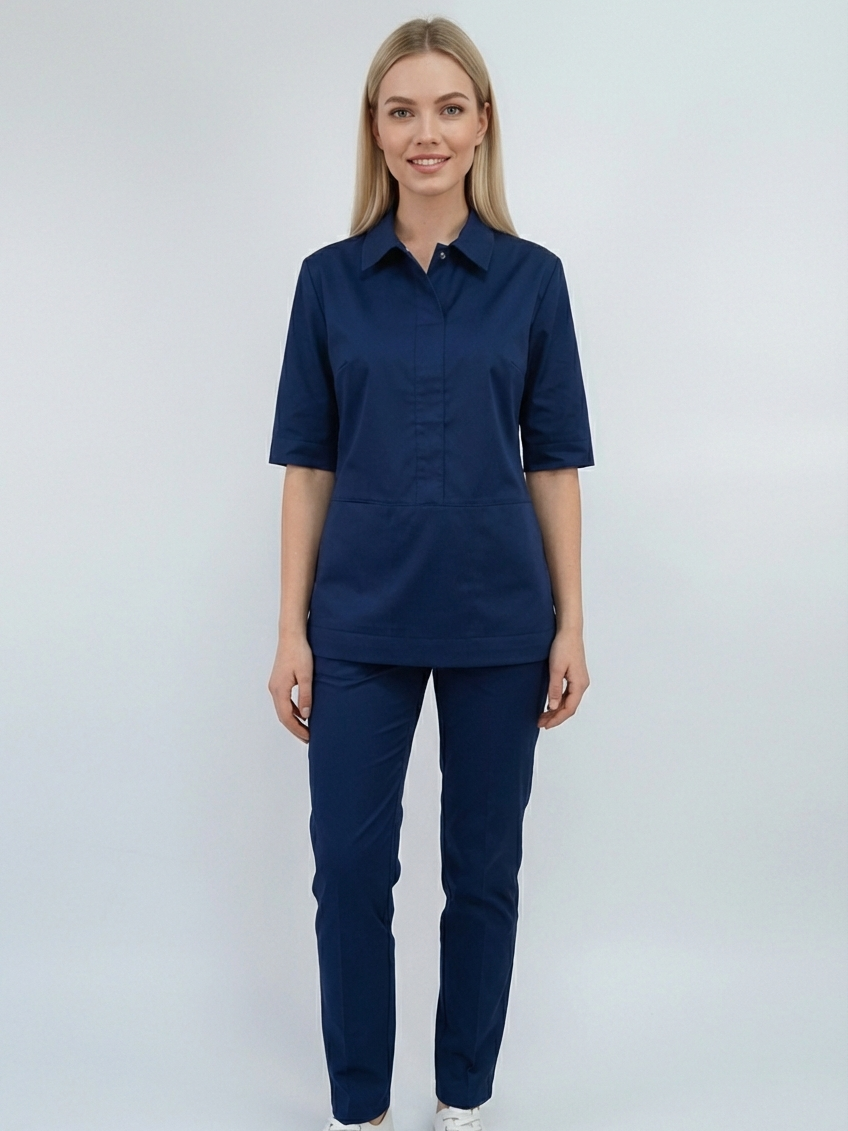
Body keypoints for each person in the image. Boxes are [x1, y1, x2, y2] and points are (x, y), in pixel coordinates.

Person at [267, 15, 594, 1131]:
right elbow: (307, 468)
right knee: (351, 874)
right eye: (402, 110)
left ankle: (461, 1101)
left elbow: (553, 465)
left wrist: (571, 623)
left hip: (501, 622)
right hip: (357, 620)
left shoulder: (534, 281)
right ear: (375, 127)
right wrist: (290, 630)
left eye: (449, 108)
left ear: (482, 123)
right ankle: (359, 1107)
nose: (427, 132)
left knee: (482, 874)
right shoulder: (326, 282)